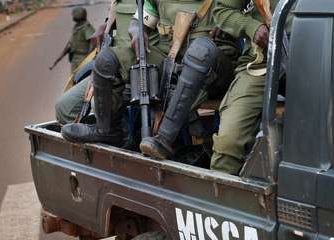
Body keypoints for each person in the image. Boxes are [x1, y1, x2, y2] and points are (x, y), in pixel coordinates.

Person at [61, 0, 238, 148]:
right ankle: (106, 130)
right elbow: (142, 19)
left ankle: (164, 140)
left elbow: (241, 16)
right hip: (171, 54)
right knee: (107, 60)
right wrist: (137, 30)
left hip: (214, 64)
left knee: (201, 51)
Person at [208, 0, 280, 175]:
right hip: (261, 63)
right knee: (228, 141)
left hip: (319, 59)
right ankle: (222, 195)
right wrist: (251, 26)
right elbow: (222, 11)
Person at [51, 7, 96, 72]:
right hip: (75, 59)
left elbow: (93, 41)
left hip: (83, 58)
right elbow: (70, 44)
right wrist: (58, 59)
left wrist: (89, 58)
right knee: (73, 79)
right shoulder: (76, 27)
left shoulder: (86, 27)